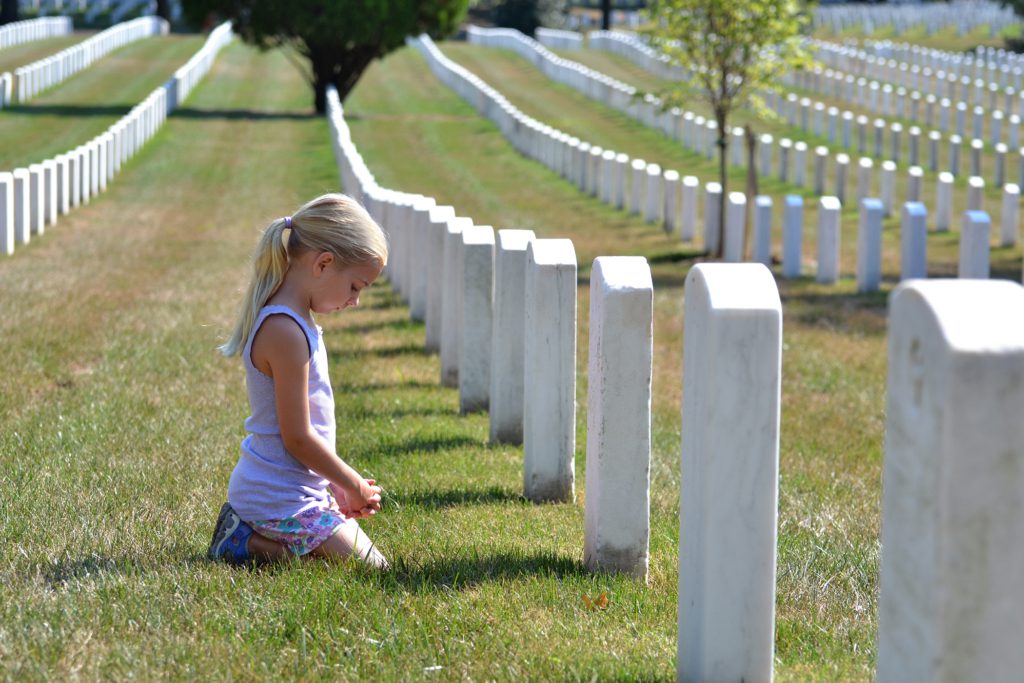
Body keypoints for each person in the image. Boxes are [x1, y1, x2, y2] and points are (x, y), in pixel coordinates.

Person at [208, 193, 389, 569]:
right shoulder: (285, 331)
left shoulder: (298, 323)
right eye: (356, 286)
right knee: (368, 568)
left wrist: (337, 487)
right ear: (324, 263)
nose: (355, 301)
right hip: (275, 499)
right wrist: (352, 482)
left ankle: (259, 536)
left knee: (371, 563)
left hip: (298, 492)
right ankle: (245, 541)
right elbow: (297, 437)